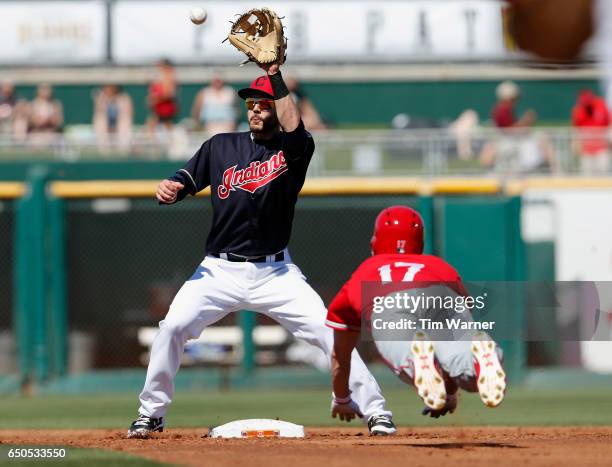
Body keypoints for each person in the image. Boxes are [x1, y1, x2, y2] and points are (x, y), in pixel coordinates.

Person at [127, 61, 394, 439]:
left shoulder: (293, 151)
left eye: (264, 104)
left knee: (329, 331)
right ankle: (151, 412)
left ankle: (376, 411)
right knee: (172, 327)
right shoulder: (221, 146)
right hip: (218, 271)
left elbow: (295, 125)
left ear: (278, 107)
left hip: (276, 274)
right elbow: (185, 179)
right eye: (251, 103)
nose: (255, 109)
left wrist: (274, 76)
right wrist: (170, 187)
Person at [326, 206, 506, 420]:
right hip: (441, 295)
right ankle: (477, 356)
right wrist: (448, 394)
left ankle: (415, 357)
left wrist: (342, 398)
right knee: (466, 369)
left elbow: (340, 356)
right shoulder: (439, 265)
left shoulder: (366, 268)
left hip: (389, 302)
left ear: (376, 240)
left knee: (404, 351)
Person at [571, 90, 610, 174]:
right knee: (587, 175)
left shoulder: (601, 105)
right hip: (586, 149)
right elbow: (577, 130)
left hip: (601, 147)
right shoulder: (578, 110)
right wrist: (576, 143)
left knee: (603, 172)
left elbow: (609, 124)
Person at [93, 84, 133, 153]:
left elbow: (128, 114)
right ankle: (104, 151)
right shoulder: (100, 98)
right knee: (100, 122)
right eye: (106, 88)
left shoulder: (124, 99)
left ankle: (122, 150)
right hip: (105, 129)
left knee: (124, 124)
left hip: (120, 129)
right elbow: (99, 112)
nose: (108, 90)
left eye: (111, 88)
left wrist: (116, 129)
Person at [147, 59, 178, 133]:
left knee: (164, 125)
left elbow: (169, 94)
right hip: (159, 107)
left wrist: (156, 100)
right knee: (153, 124)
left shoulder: (169, 77)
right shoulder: (161, 77)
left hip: (165, 107)